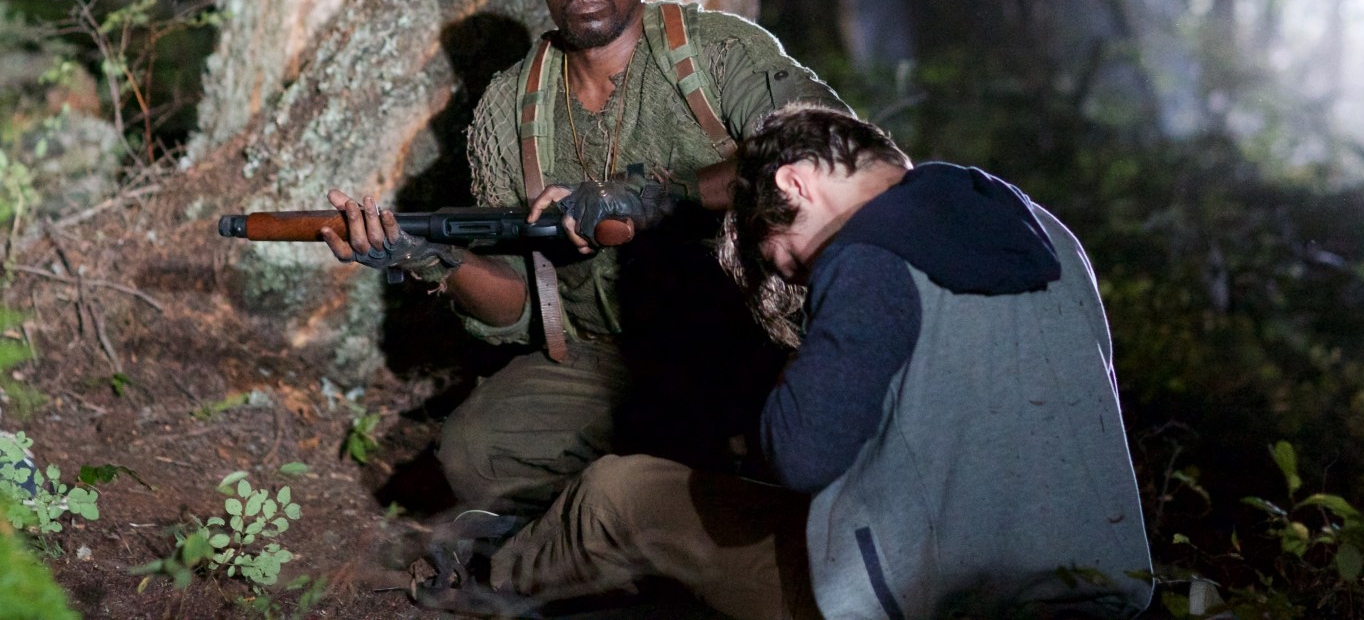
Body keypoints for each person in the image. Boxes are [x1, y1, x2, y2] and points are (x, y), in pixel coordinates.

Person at [416, 104, 1154, 619]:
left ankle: (487, 579)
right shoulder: (1048, 231)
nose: (801, 277)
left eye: (788, 260)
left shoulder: (867, 256)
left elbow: (799, 455)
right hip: (1103, 580)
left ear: (795, 182)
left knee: (621, 491)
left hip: (938, 599)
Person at [319, 0, 846, 521]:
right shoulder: (509, 107)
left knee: (802, 450)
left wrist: (659, 194)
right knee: (475, 454)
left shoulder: (714, 53)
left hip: (750, 340)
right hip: (609, 357)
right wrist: (428, 258)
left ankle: (663, 507)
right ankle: (644, 514)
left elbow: (823, 150)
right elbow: (517, 299)